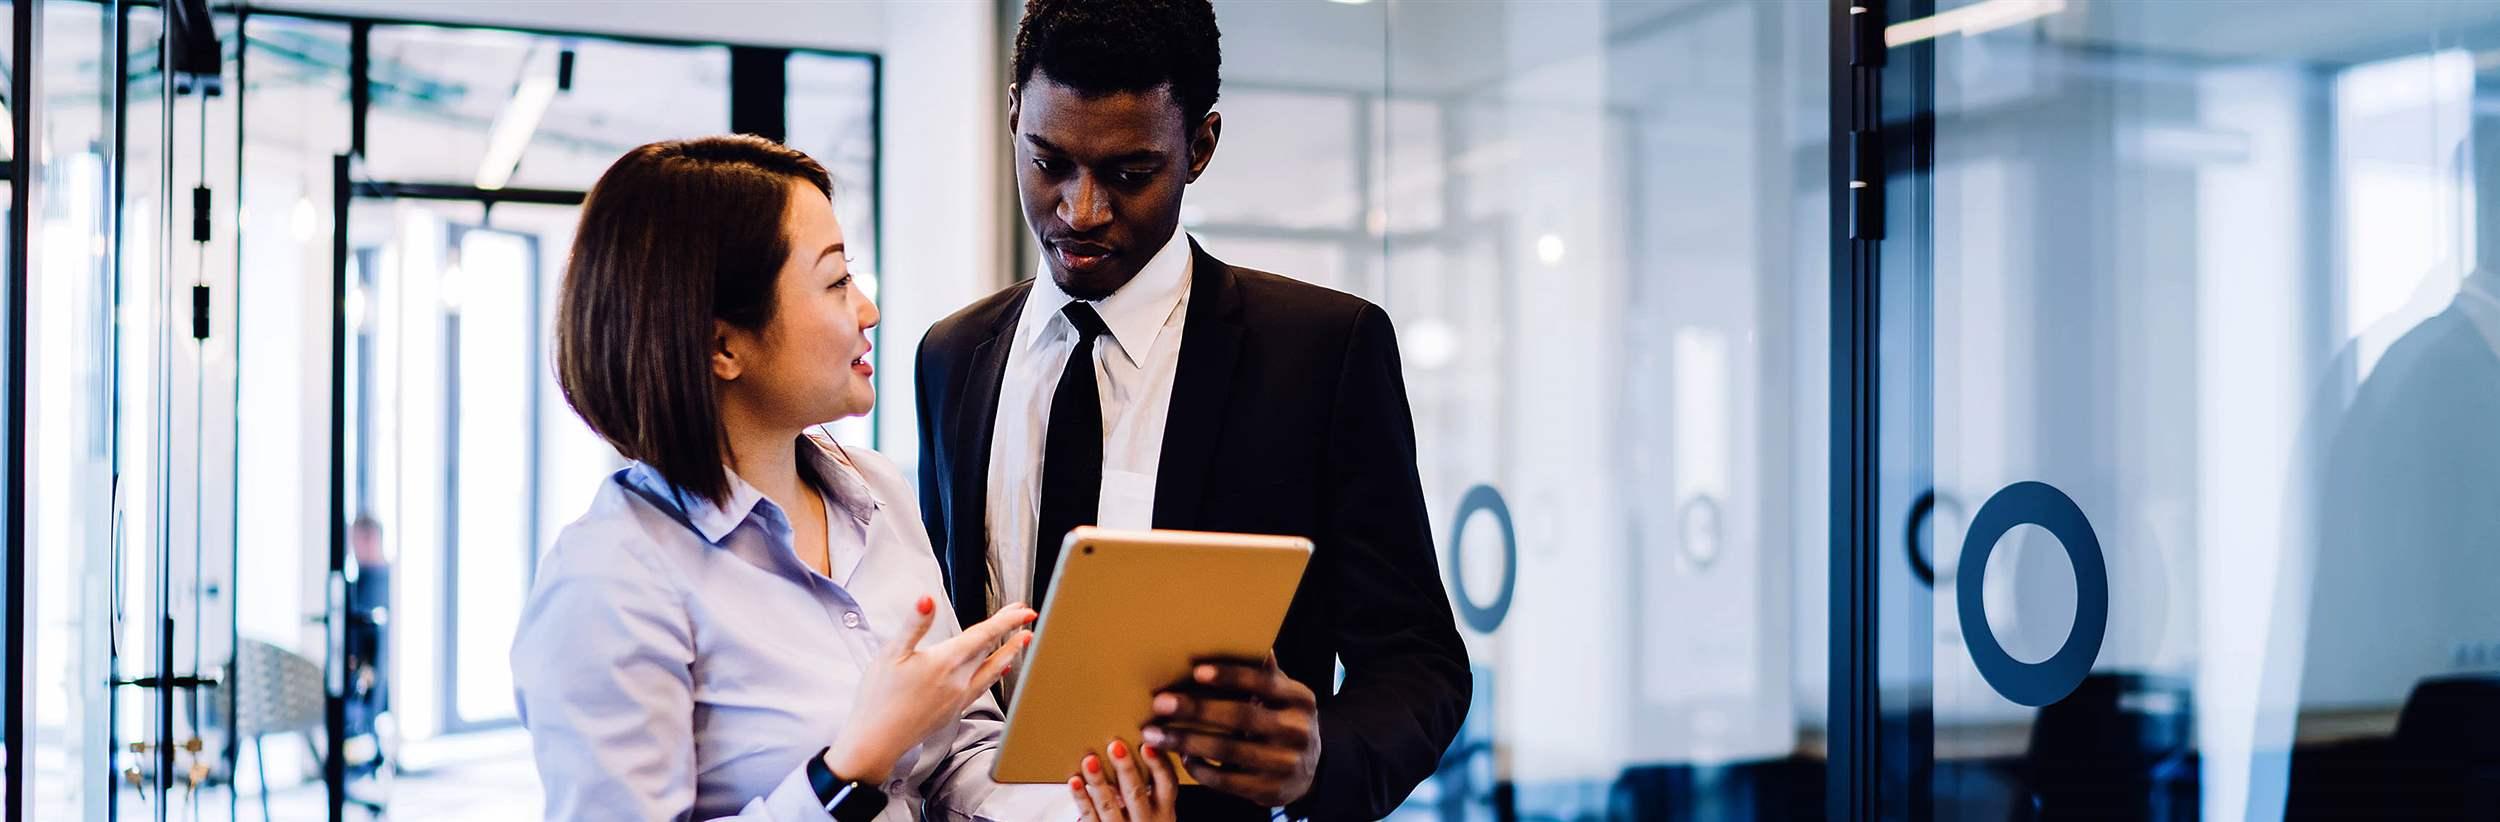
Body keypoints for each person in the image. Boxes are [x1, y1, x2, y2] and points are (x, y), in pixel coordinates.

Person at [914, 2, 1472, 818]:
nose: (1081, 210)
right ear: (1013, 118)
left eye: (1130, 173)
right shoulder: (951, 356)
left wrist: (1319, 758)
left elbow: (1419, 662)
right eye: (1049, 162)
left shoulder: (1321, 350)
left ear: (1200, 147)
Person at [511, 135, 1173, 821]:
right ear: (721, 346)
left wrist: (1084, 808)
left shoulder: (875, 492)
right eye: (835, 282)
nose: (868, 310)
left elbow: (958, 754)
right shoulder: (609, 580)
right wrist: (846, 770)